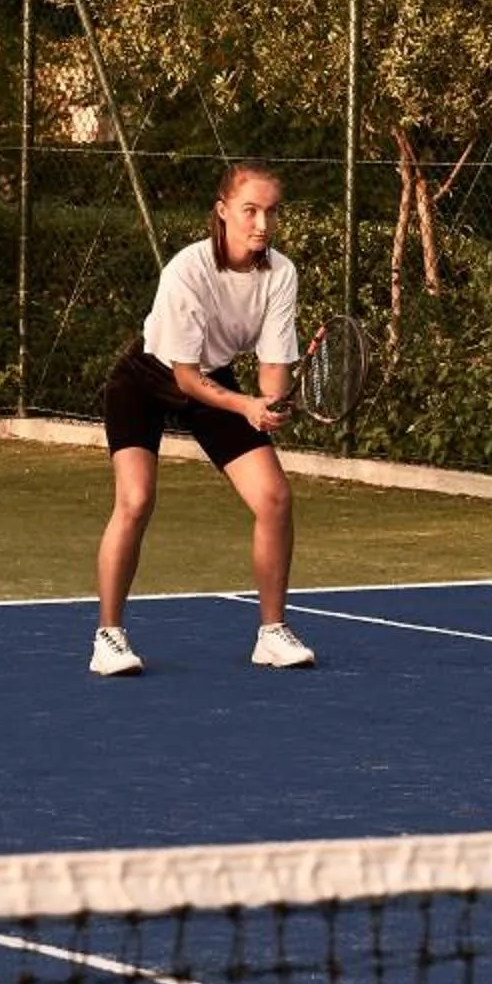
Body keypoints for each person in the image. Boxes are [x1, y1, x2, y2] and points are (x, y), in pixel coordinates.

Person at [90, 161, 315, 677]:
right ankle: (109, 637)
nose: (262, 223)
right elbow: (186, 379)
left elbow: (272, 370)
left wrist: (271, 404)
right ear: (222, 211)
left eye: (271, 212)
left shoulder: (281, 274)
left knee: (275, 497)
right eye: (250, 210)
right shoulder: (186, 271)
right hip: (147, 379)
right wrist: (247, 407)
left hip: (212, 380)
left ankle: (272, 633)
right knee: (135, 500)